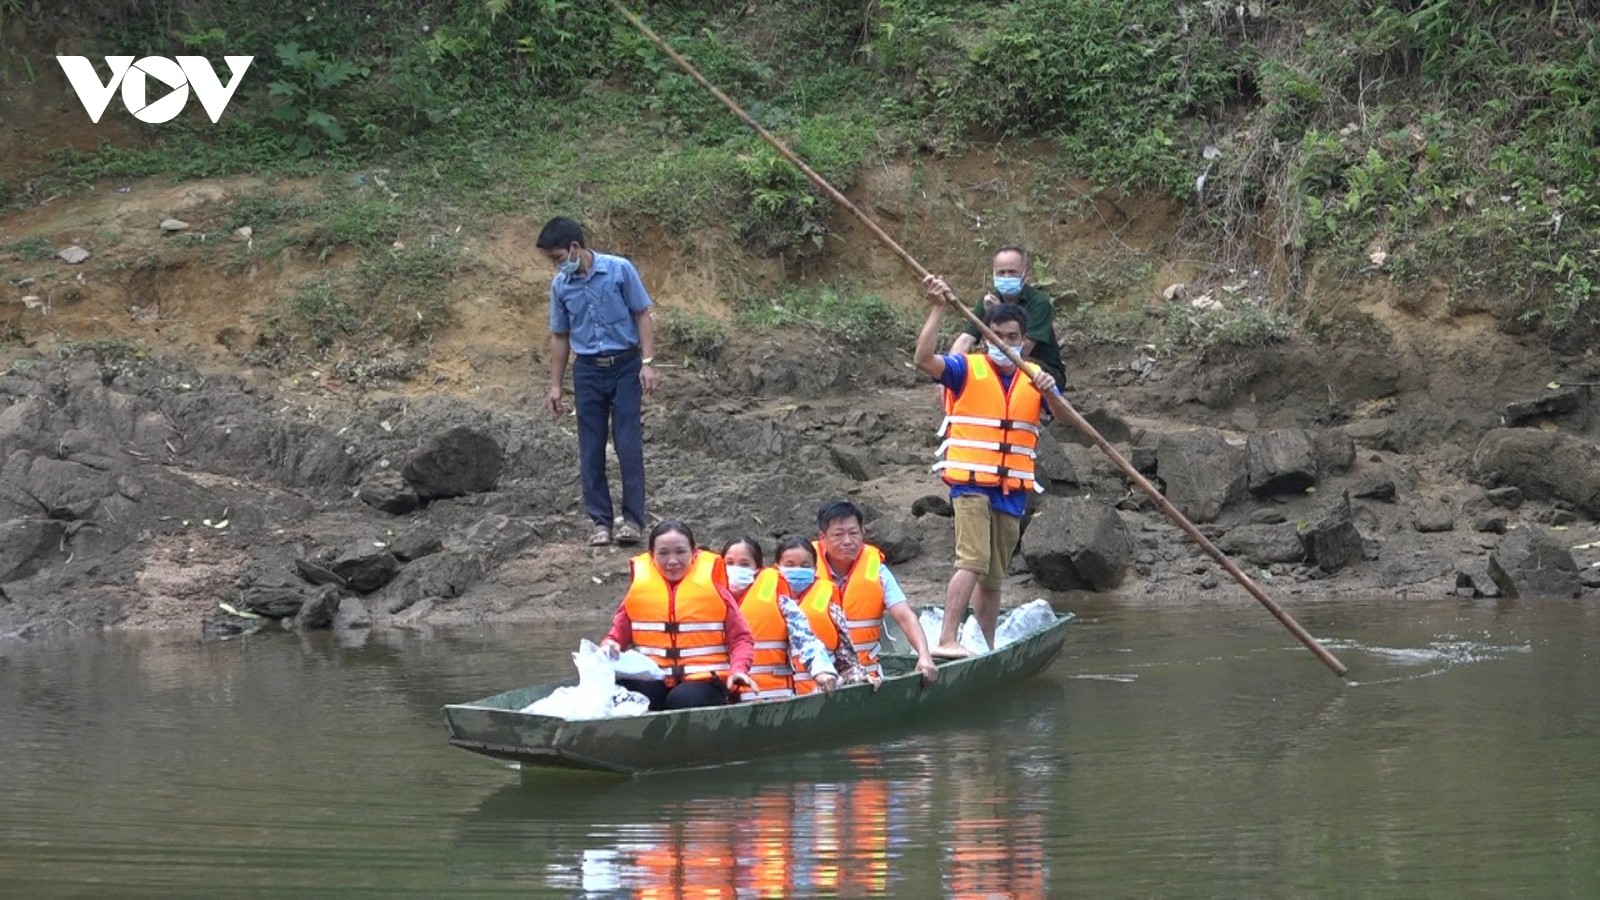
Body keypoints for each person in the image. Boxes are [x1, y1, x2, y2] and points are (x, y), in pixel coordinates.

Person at [916, 275, 1057, 659]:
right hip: (971, 482)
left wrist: (1049, 390)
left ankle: (987, 646)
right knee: (973, 561)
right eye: (995, 335)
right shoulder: (966, 368)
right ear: (986, 335)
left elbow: (1061, 414)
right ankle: (947, 638)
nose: (1003, 343)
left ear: (1023, 340)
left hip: (1010, 489)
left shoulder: (1035, 377)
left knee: (994, 578)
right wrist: (938, 308)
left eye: (1012, 337)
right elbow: (924, 360)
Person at [539, 216, 659, 547]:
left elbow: (642, 314)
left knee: (627, 444)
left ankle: (633, 520)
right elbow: (560, 335)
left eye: (559, 258)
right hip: (588, 370)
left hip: (625, 367)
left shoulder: (619, 270)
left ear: (575, 248)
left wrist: (648, 363)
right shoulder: (560, 286)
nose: (557, 266)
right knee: (590, 448)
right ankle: (601, 522)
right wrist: (555, 384)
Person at [599, 519, 757, 710]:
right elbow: (617, 634)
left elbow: (741, 638)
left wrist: (738, 669)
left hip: (706, 681)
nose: (672, 561)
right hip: (656, 677)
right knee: (626, 694)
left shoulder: (715, 589)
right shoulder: (639, 590)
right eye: (663, 553)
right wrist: (610, 645)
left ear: (694, 552)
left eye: (681, 552)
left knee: (681, 700)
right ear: (651, 555)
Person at [811, 500, 939, 685]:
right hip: (818, 678)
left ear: (863, 533)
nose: (847, 541)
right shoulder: (805, 568)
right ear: (822, 537)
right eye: (838, 535)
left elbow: (905, 616)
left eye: (853, 533)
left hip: (867, 680)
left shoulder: (877, 570)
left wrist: (924, 655)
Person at [721, 536, 840, 700]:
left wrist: (821, 669)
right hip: (724, 697)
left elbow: (803, 636)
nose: (735, 569)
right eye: (729, 563)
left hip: (775, 697)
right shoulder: (709, 599)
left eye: (744, 564)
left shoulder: (779, 599)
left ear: (757, 569)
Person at [946, 245, 1065, 388]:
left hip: (1040, 370)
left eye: (1012, 272)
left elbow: (1023, 349)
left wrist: (999, 313)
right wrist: (949, 373)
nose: (1006, 277)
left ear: (1025, 273)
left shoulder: (1039, 303)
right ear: (994, 273)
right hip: (1000, 364)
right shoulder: (987, 301)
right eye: (1001, 272)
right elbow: (965, 339)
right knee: (971, 363)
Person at [770, 535, 876, 691]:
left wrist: (859, 679)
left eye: (805, 565)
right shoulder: (766, 605)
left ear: (815, 568)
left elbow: (847, 663)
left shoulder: (830, 607)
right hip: (775, 699)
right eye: (790, 565)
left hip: (820, 699)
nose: (797, 570)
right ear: (776, 568)